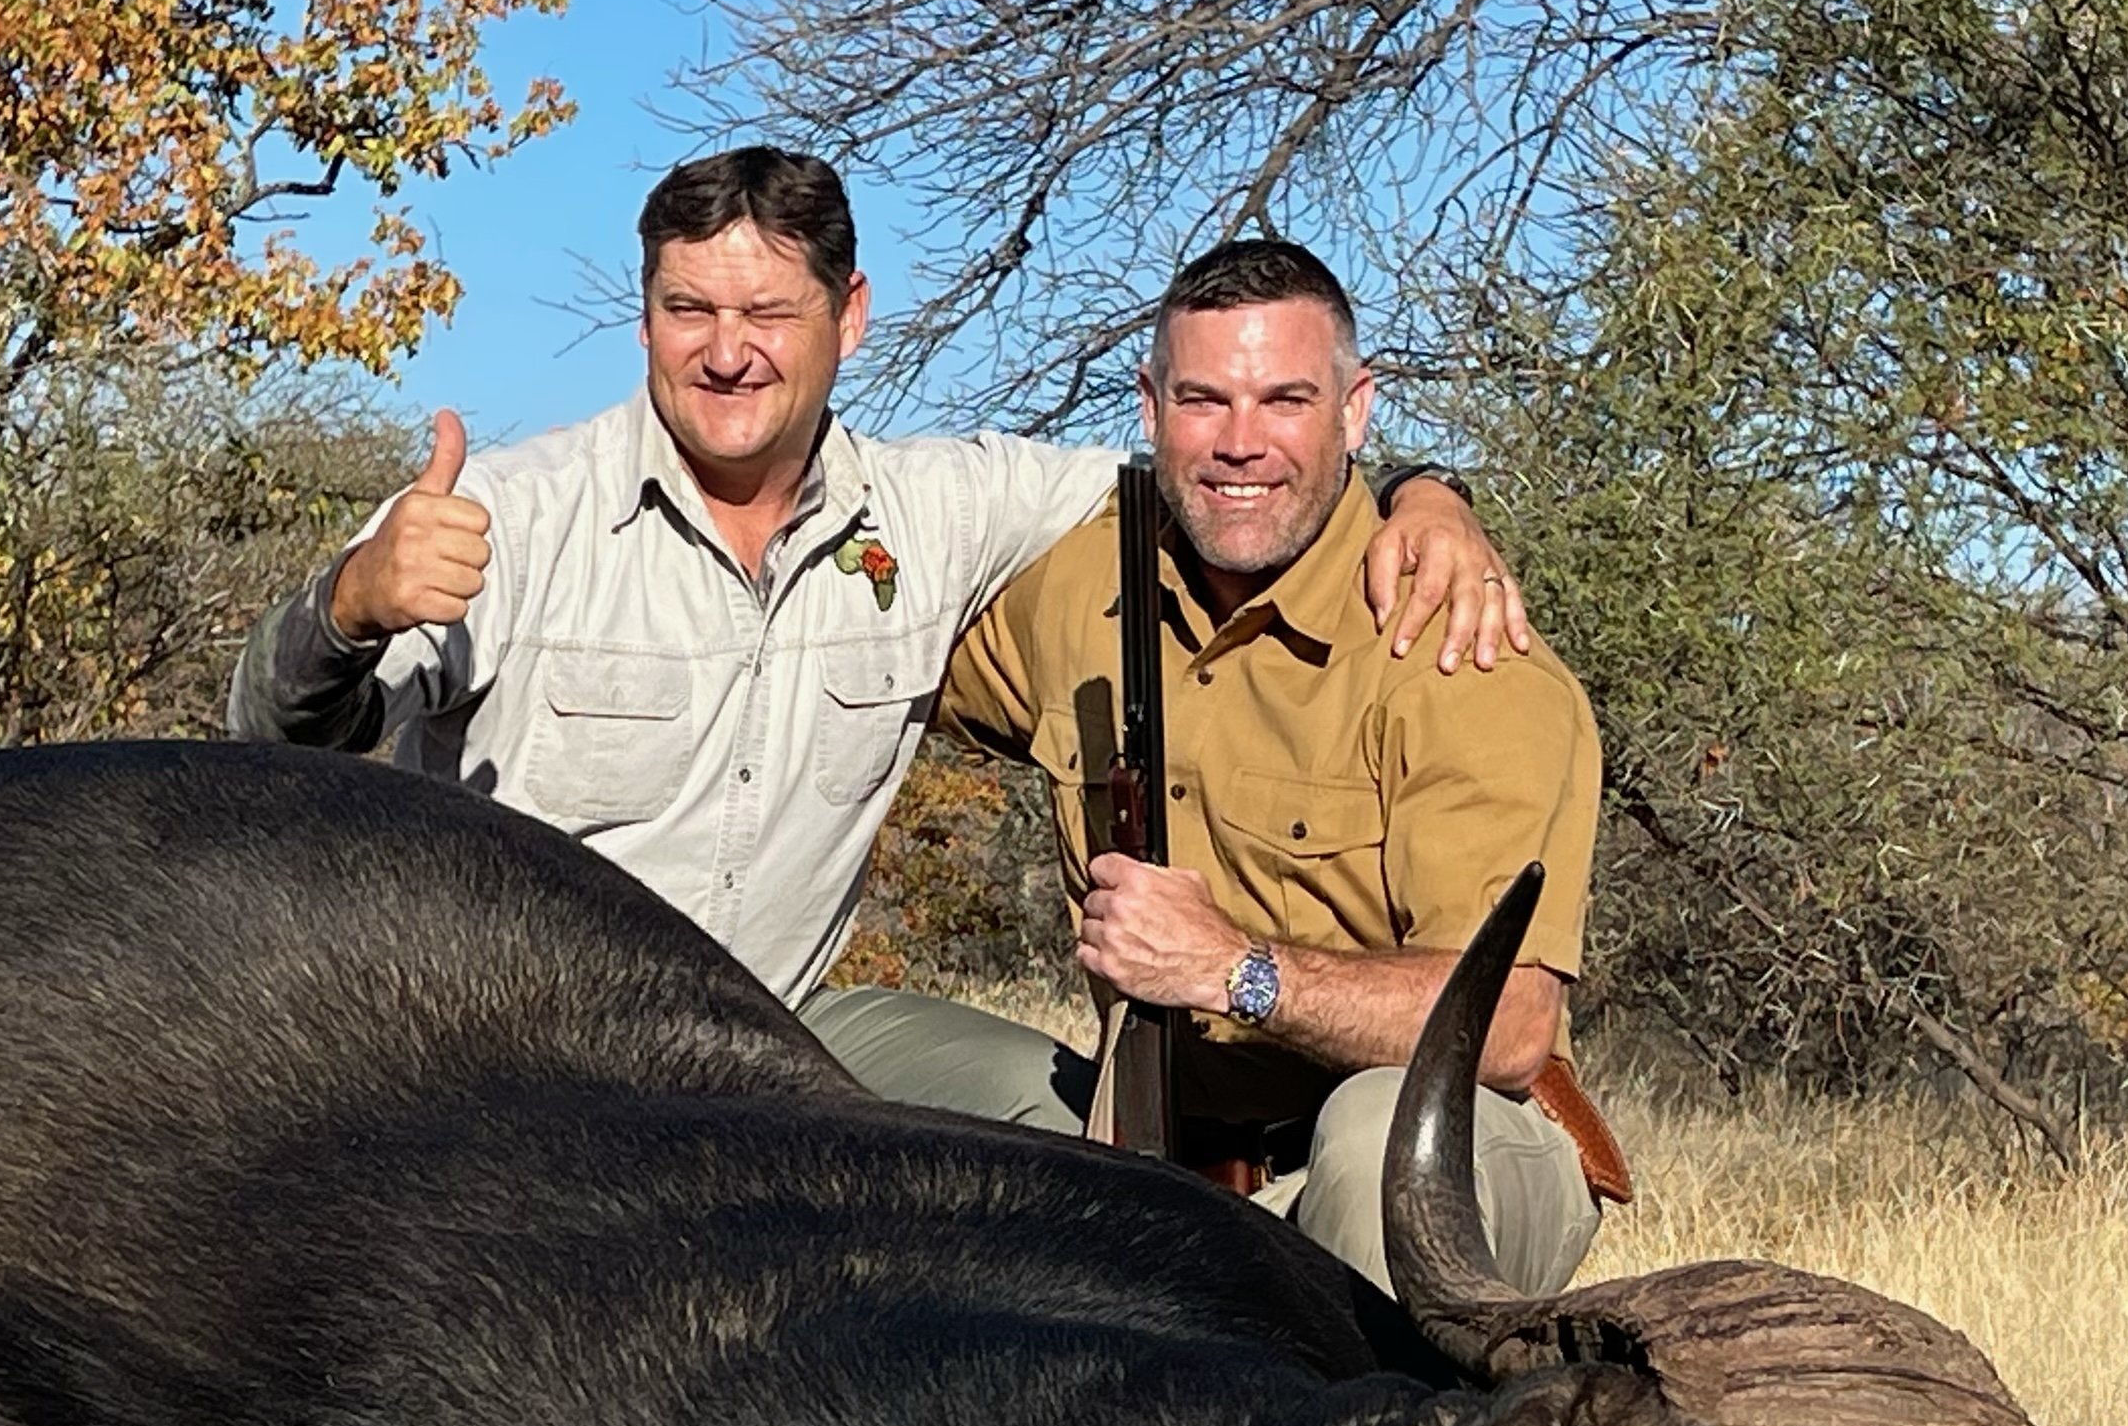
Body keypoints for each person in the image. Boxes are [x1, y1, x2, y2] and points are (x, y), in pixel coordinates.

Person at [225, 147, 1526, 1006]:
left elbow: (1218, 475)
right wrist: (346, 607)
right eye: (690, 312)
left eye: (769, 315)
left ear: (848, 317)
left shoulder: (940, 508)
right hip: (512, 1070)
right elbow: (273, 738)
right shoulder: (505, 510)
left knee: (1057, 1158)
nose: (727, 354)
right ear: (646, 320)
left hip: (764, 1060)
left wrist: (1423, 492)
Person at [810, 237, 1603, 1297]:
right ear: (1148, 406)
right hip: (1164, 1141)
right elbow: (850, 601)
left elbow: (1507, 1027)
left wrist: (1235, 971)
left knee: (1377, 1138)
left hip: (1444, 1131)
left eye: (1285, 401)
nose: (1240, 444)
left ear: (1356, 412)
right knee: (789, 1043)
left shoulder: (1457, 640)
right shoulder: (1082, 579)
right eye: (1202, 401)